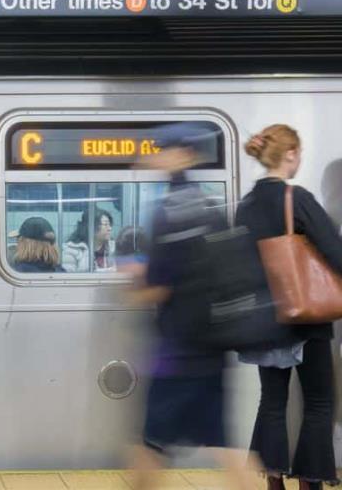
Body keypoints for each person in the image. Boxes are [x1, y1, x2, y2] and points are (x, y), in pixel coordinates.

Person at [128, 131, 255, 490]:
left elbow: (159, 285)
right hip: (213, 347)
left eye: (161, 151)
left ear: (182, 154)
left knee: (149, 444)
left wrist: (134, 288)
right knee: (224, 446)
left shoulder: (169, 211)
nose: (154, 158)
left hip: (176, 352)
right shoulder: (210, 204)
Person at [238, 125, 342, 490]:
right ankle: (310, 482)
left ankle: (274, 481)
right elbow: (334, 250)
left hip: (264, 322)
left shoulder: (246, 204)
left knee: (272, 401)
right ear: (292, 153)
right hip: (305, 317)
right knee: (317, 402)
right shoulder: (295, 198)